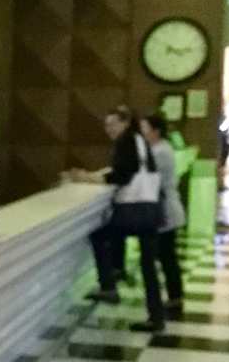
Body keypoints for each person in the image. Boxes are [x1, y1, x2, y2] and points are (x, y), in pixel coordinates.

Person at [73, 106, 166, 333]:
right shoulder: (140, 140)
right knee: (148, 266)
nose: (109, 129)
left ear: (125, 123)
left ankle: (109, 286)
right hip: (151, 210)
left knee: (99, 236)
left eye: (113, 124)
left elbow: (123, 175)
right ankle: (156, 318)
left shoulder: (126, 141)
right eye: (106, 125)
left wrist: (89, 178)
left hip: (133, 211)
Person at [142, 113, 186, 318]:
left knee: (166, 257)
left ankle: (175, 298)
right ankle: (175, 297)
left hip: (165, 212)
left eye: (145, 129)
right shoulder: (160, 148)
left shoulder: (160, 151)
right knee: (167, 256)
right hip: (165, 211)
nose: (142, 133)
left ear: (156, 131)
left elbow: (144, 176)